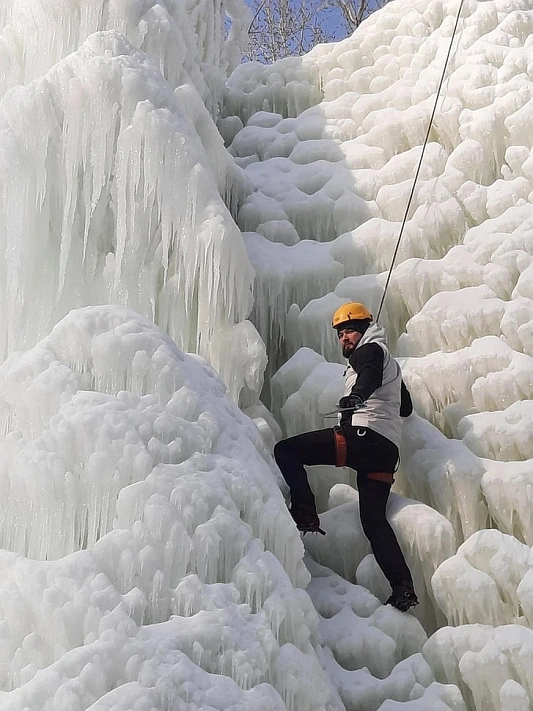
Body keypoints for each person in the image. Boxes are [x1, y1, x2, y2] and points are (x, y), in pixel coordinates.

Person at [274, 301, 418, 612]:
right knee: (373, 521)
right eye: (341, 335)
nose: (344, 339)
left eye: (350, 331)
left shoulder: (369, 352)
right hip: (384, 456)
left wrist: (358, 396)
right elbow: (404, 408)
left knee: (286, 450)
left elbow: (367, 376)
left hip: (364, 438)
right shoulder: (389, 364)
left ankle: (304, 512)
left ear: (365, 329)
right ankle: (402, 587)